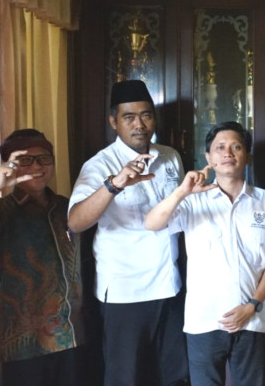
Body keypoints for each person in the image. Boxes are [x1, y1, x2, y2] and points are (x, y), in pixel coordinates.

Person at [144, 121, 265, 386]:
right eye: (220, 148)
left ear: (247, 156)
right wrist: (181, 192)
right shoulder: (192, 200)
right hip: (204, 320)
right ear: (208, 157)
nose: (228, 153)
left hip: (252, 319)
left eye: (236, 147)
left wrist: (253, 305)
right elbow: (151, 223)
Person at [67, 80, 188, 385]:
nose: (139, 125)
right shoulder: (100, 164)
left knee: (174, 376)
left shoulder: (170, 156)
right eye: (129, 117)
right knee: (126, 378)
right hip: (125, 291)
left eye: (146, 115)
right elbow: (75, 222)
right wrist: (114, 184)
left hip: (169, 285)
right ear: (114, 122)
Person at [0, 129, 85, 385]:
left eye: (44, 158)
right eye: (25, 160)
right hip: (24, 344)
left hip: (72, 335)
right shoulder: (2, 211)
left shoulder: (67, 207)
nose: (36, 166)